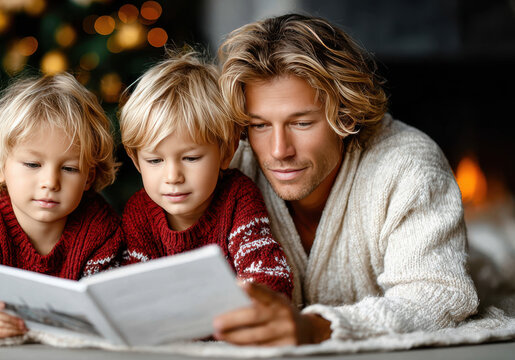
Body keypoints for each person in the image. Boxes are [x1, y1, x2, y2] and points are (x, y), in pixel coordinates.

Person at [212, 13, 479, 346]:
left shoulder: (408, 167)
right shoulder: (234, 165)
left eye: (301, 123)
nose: (278, 150)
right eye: (260, 125)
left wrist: (318, 328)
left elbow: (437, 294)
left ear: (346, 113)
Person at [0, 73, 123, 338]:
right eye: (32, 164)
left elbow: (114, 307)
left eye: (70, 168)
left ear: (89, 176)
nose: (51, 182)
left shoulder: (99, 227)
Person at [118, 51, 293, 298]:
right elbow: (135, 287)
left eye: (190, 158)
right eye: (155, 160)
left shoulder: (237, 196)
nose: (173, 176)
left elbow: (268, 271)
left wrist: (259, 297)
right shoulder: (140, 212)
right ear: (136, 160)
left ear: (226, 152)